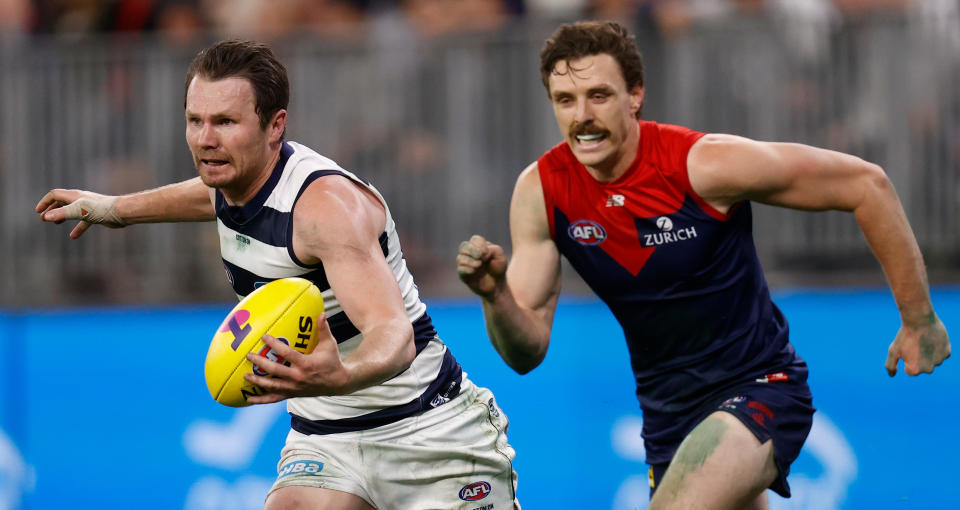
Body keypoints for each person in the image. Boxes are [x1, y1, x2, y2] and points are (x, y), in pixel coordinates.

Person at [456, 20, 950, 510]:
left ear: (636, 96)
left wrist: (918, 317)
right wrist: (494, 295)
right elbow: (526, 353)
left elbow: (867, 185)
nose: (582, 115)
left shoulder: (701, 164)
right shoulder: (542, 192)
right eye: (565, 100)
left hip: (761, 389)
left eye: (599, 95)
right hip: (668, 419)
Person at [36, 40, 519, 510]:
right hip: (324, 435)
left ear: (275, 126)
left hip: (425, 428)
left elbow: (394, 335)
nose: (206, 140)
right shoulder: (231, 174)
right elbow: (206, 194)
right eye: (195, 121)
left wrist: (341, 375)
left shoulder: (326, 210)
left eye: (225, 122)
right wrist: (115, 209)